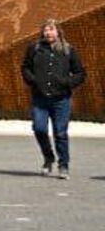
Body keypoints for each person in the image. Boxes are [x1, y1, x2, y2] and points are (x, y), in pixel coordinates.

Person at [22, 19, 86, 179]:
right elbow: (25, 68)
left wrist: (67, 83)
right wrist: (34, 81)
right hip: (40, 98)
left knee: (60, 132)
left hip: (61, 99)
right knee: (39, 129)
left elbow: (80, 73)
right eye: (45, 30)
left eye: (51, 29)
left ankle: (63, 165)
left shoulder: (68, 50)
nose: (48, 33)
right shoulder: (35, 48)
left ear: (58, 32)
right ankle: (48, 157)